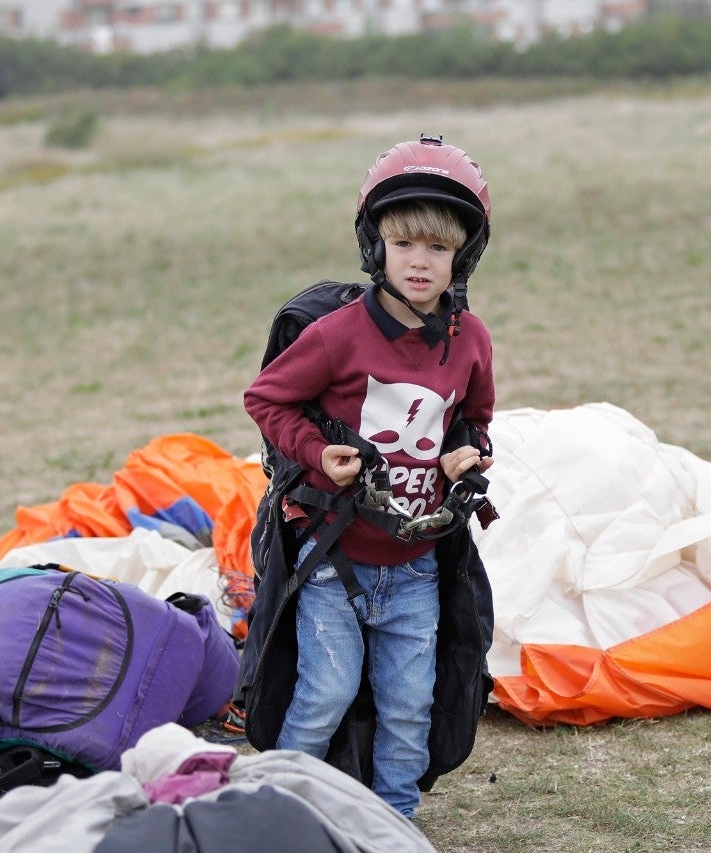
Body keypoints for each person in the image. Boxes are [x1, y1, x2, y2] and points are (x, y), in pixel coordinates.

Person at [242, 134, 496, 819]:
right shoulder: (336, 334)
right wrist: (318, 454)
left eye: (438, 248)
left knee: (410, 705)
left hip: (416, 565)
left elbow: (475, 419)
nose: (420, 261)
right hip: (337, 559)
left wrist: (468, 455)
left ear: (462, 257)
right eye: (404, 243)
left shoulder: (470, 340)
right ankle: (279, 811)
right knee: (325, 690)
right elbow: (266, 400)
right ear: (375, 244)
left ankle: (392, 823)